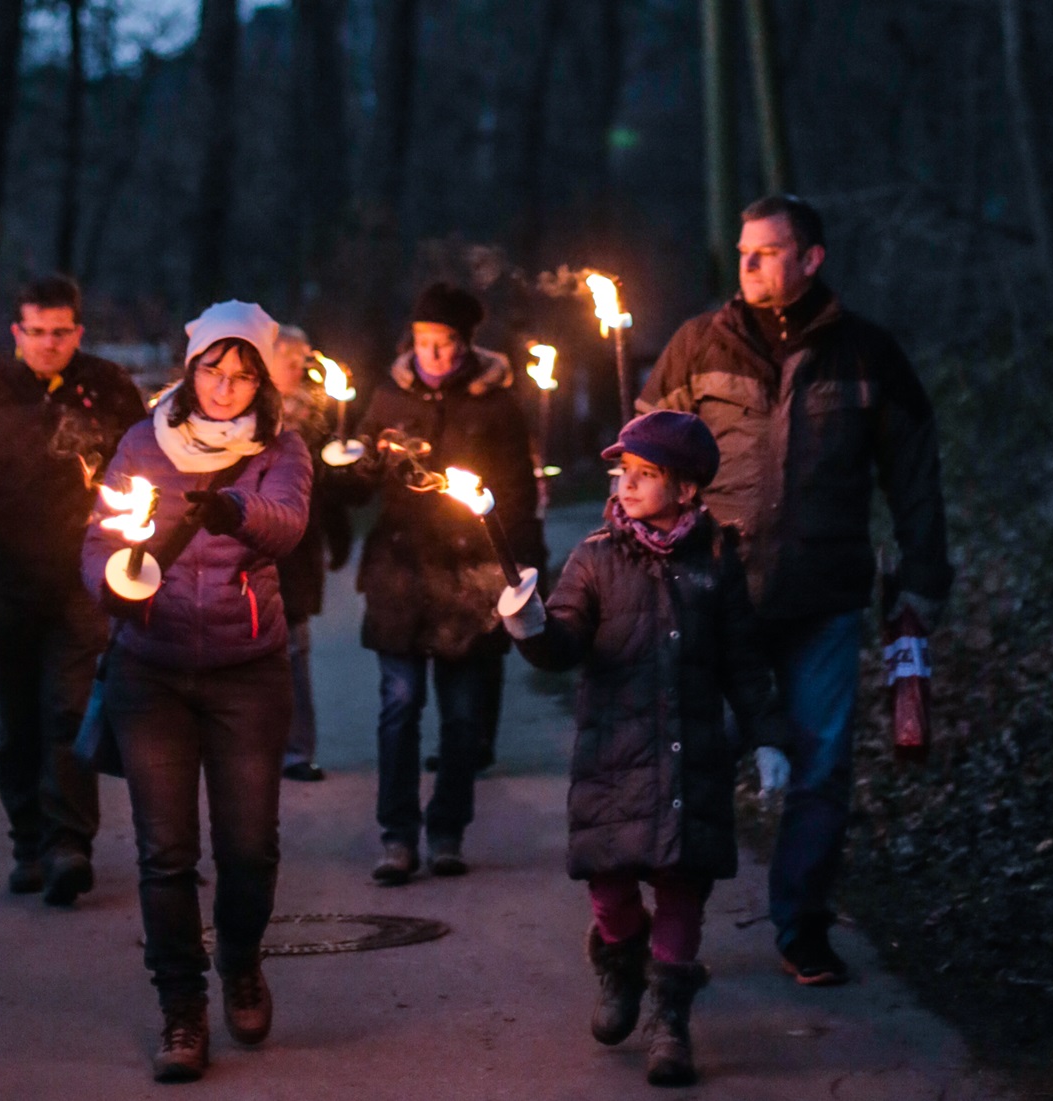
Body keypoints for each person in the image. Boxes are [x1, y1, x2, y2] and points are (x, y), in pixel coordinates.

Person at [637, 194, 953, 986]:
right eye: (742, 250)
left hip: (823, 596)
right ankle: (672, 934)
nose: (745, 264)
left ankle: (801, 924)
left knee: (820, 766)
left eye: (766, 252)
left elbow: (914, 475)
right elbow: (642, 455)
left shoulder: (866, 355)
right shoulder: (693, 346)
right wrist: (640, 540)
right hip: (714, 594)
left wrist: (920, 580)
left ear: (810, 259)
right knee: (692, 764)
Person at [500, 410, 782, 1088]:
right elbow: (563, 645)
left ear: (685, 489)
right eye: (621, 471)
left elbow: (743, 662)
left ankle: (669, 1017)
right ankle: (621, 966)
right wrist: (529, 623)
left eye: (645, 474)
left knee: (682, 886)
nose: (626, 483)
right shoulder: (595, 556)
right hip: (614, 758)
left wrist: (769, 738)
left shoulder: (716, 562)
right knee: (611, 884)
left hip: (691, 758)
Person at [81, 301, 311, 1082]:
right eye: (214, 367)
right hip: (152, 670)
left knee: (248, 847)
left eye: (243, 371)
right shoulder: (144, 441)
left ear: (261, 379)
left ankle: (240, 960)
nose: (225, 384)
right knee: (165, 851)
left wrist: (237, 507)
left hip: (249, 670)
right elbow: (101, 536)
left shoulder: (278, 448)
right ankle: (180, 1008)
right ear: (191, 368)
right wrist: (114, 584)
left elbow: (286, 523)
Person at [0, 274, 145, 906]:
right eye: (37, 332)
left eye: (62, 333)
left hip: (82, 581)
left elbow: (143, 459)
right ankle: (28, 841)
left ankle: (68, 846)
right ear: (17, 332)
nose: (50, 344)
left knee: (71, 710)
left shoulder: (108, 389)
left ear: (78, 332)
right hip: (4, 580)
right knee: (16, 723)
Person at [347, 282, 544, 884]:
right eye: (425, 342)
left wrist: (521, 569)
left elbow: (514, 493)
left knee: (462, 717)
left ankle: (448, 829)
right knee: (399, 707)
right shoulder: (388, 397)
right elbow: (355, 485)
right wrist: (359, 464)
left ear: (466, 344)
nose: (433, 356)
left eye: (446, 344)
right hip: (401, 576)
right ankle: (397, 836)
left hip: (469, 577)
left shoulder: (497, 405)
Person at [267, 324, 352, 783]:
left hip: (299, 549)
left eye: (303, 356)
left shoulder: (318, 416)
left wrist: (339, 533)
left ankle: (297, 750)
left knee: (295, 650)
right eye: (289, 356)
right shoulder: (250, 415)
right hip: (258, 545)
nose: (299, 365)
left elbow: (330, 491)